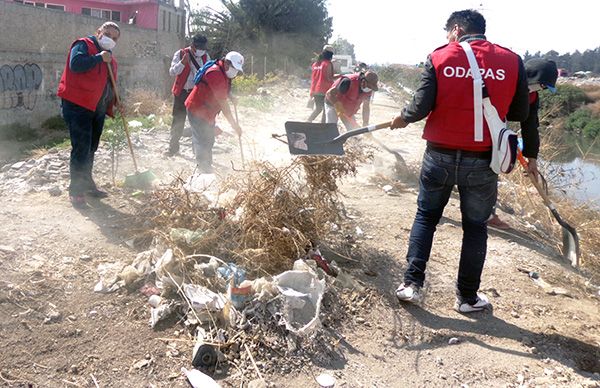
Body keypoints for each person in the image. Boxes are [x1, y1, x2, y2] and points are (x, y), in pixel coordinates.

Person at [390, 9, 530, 312]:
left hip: (438, 156)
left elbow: (418, 108)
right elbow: (520, 113)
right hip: (482, 161)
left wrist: (401, 118)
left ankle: (411, 285)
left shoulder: (441, 56)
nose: (446, 37)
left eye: (447, 32)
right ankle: (467, 298)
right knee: (476, 227)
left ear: (456, 29)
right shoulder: (512, 60)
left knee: (427, 217)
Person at [57, 21, 122, 209]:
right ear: (99, 32)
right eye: (108, 34)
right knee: (81, 149)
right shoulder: (83, 45)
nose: (111, 39)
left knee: (91, 148)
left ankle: (87, 184)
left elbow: (109, 84)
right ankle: (76, 191)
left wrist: (117, 101)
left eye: (115, 38)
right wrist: (98, 58)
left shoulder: (109, 58)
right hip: (77, 105)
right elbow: (75, 65)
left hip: (97, 108)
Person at [487, 58, 558, 229]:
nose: (541, 90)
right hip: (479, 125)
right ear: (533, 77)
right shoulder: (505, 80)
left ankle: (489, 214)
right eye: (542, 85)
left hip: (499, 130)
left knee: (493, 169)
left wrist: (532, 157)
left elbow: (530, 126)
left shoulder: (532, 97)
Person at [184, 51, 244, 173]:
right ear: (226, 63)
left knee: (208, 139)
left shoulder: (223, 72)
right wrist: (234, 125)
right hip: (197, 109)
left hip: (208, 112)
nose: (235, 72)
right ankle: (203, 170)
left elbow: (223, 89)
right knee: (202, 140)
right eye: (234, 68)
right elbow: (223, 104)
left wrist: (231, 96)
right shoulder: (214, 73)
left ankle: (205, 165)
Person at [166, 34, 210, 157]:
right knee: (178, 121)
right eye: (199, 47)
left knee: (197, 123)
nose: (201, 50)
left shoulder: (206, 57)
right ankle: (173, 148)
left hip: (196, 94)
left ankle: (197, 151)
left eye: (203, 48)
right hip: (181, 93)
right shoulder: (180, 54)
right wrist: (182, 63)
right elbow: (172, 72)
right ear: (192, 46)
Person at [307, 45, 335, 123]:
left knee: (318, 108)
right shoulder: (327, 64)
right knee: (326, 109)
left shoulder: (315, 64)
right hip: (324, 90)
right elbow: (328, 77)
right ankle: (322, 125)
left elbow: (315, 77)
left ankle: (308, 121)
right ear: (331, 55)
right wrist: (339, 77)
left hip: (315, 90)